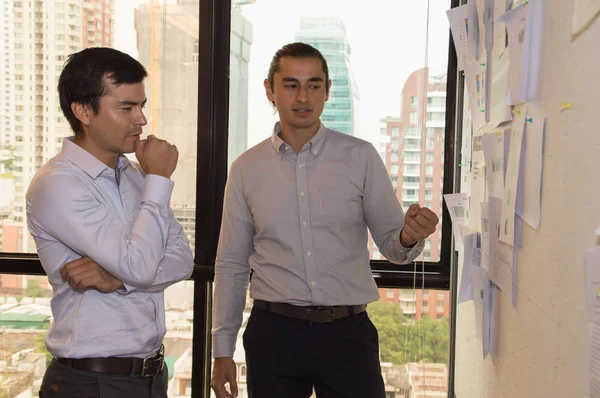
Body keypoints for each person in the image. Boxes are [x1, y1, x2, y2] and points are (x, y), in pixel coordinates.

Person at [210, 42, 440, 398]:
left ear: (327, 91)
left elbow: (394, 246)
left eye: (314, 85)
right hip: (274, 334)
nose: (303, 96)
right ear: (270, 90)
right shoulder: (246, 169)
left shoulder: (360, 158)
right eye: (290, 85)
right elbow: (231, 265)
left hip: (347, 333)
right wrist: (222, 350)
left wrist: (409, 236)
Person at [26, 47, 194, 398]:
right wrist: (159, 178)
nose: (142, 120)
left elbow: (182, 259)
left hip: (149, 375)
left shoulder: (134, 177)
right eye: (127, 107)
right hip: (91, 382)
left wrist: (116, 280)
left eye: (142, 105)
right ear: (83, 111)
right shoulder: (58, 183)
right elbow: (140, 265)